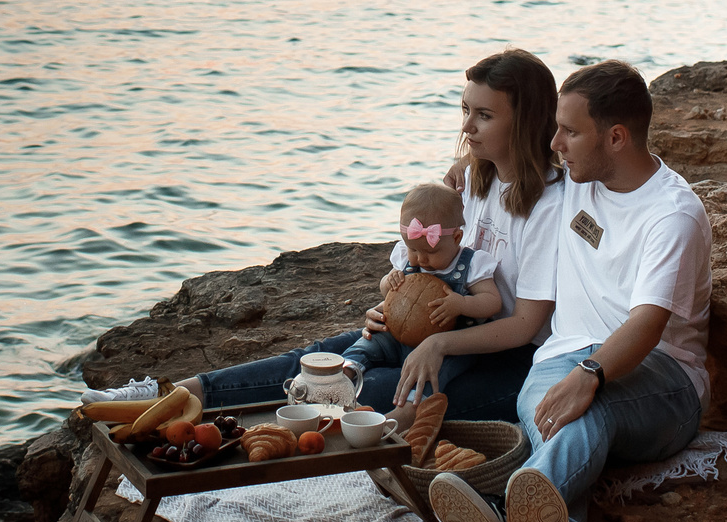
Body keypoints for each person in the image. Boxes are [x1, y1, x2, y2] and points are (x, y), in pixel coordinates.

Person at [426, 59, 709, 522]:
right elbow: (513, 108)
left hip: (663, 377)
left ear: (617, 137)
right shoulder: (578, 178)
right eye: (556, 128)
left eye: (570, 131)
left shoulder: (671, 214)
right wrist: (469, 158)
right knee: (556, 405)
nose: (555, 142)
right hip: (563, 357)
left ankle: (510, 513)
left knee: (587, 406)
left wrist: (592, 374)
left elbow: (648, 325)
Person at [159, 48, 566, 422]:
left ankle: (240, 434)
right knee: (314, 361)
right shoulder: (477, 179)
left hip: (507, 357)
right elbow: (438, 260)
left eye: (484, 115)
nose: (467, 126)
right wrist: (393, 303)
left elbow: (524, 326)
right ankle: (173, 394)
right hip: (439, 331)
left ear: (525, 120)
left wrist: (438, 346)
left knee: (357, 392)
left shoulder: (548, 205)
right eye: (465, 110)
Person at [336, 184, 501, 379]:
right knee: (369, 342)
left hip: (445, 344)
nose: (421, 259)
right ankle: (345, 372)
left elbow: (492, 301)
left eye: (431, 252)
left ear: (457, 238)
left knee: (441, 370)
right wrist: (389, 282)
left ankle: (416, 401)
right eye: (413, 250)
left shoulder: (472, 264)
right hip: (398, 335)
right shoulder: (405, 257)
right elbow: (385, 291)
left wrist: (462, 304)